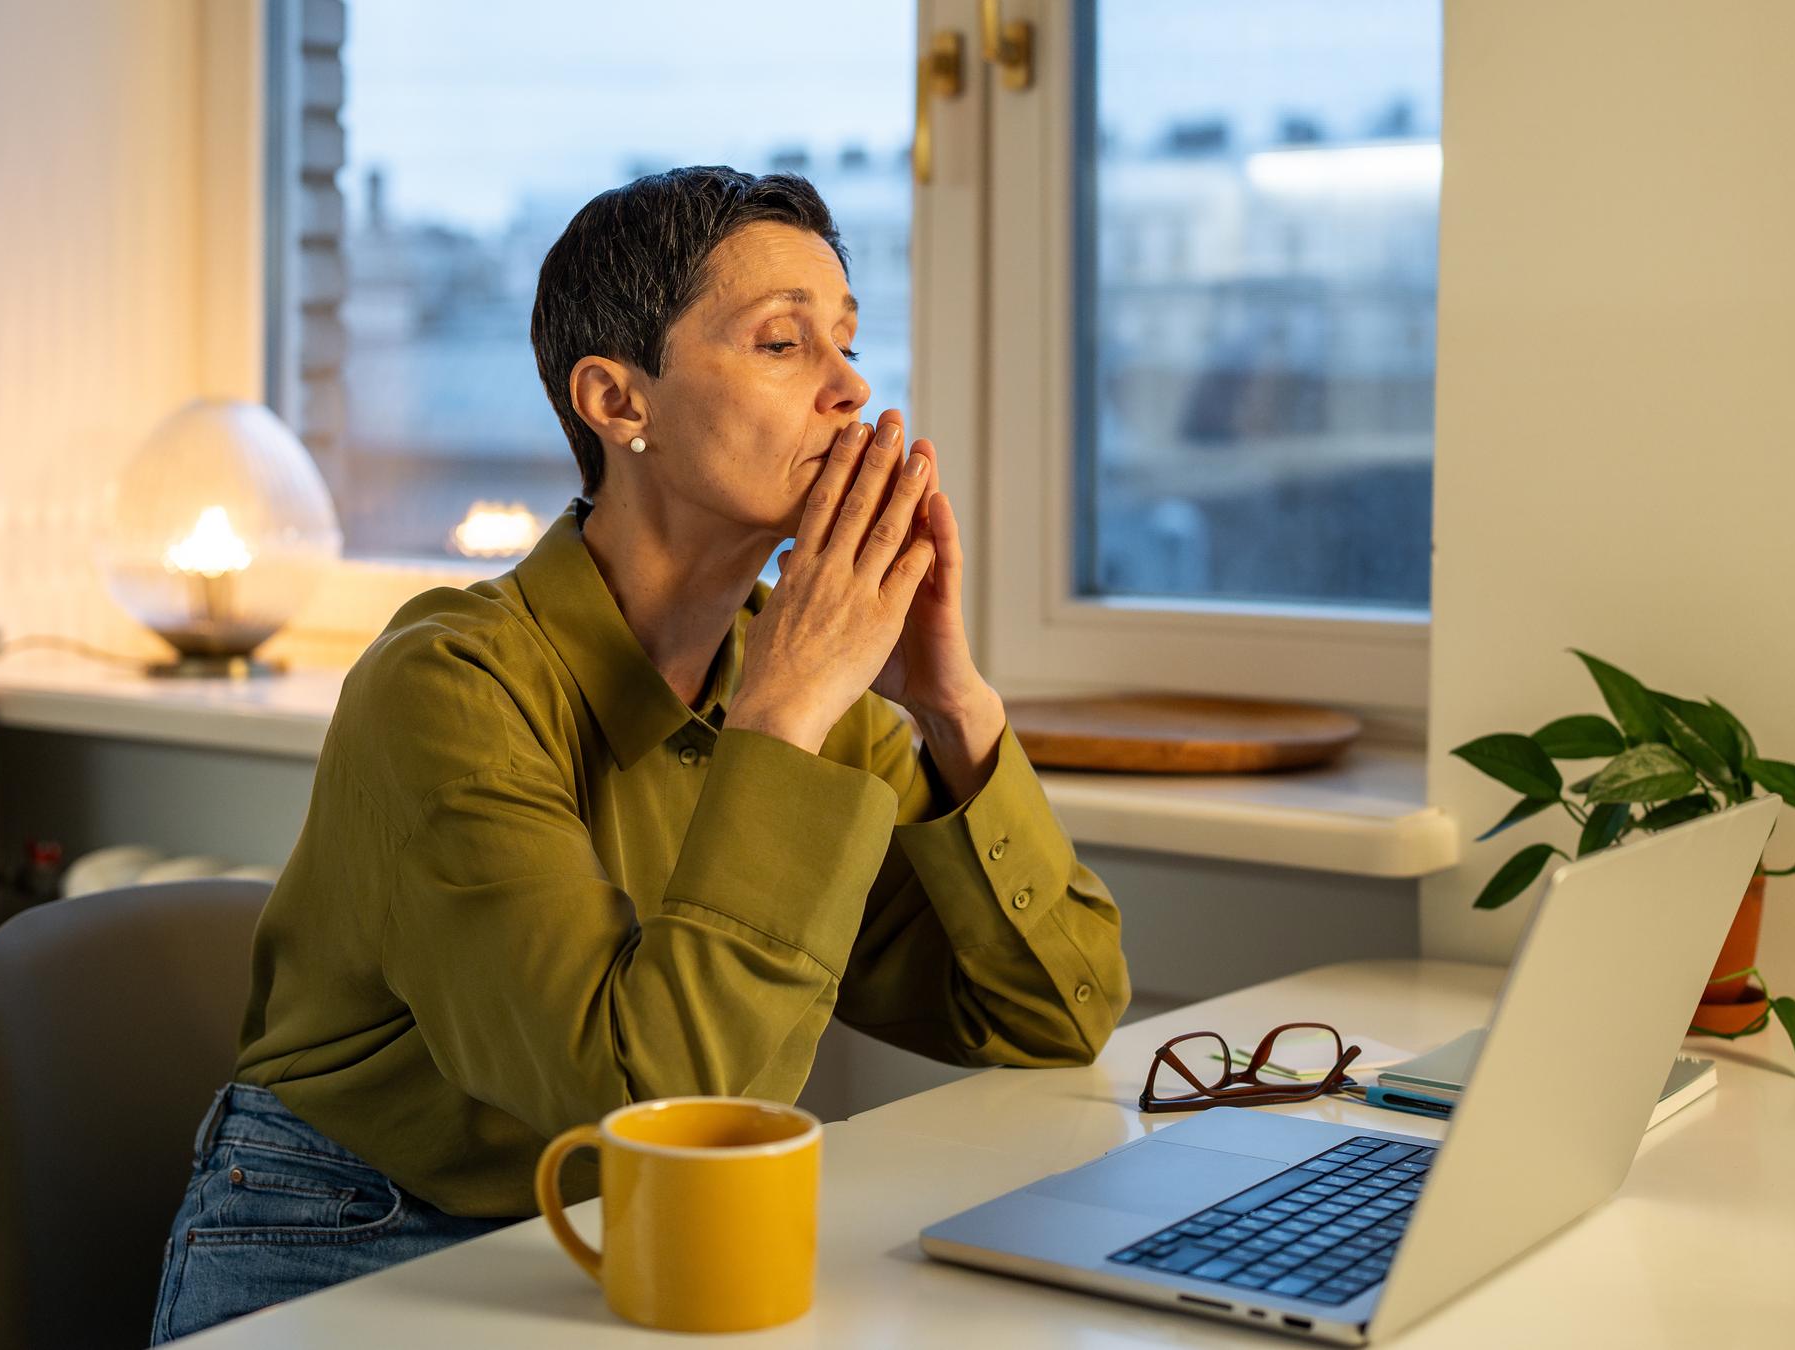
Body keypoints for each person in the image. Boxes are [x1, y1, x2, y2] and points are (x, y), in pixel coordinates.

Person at [149, 165, 1130, 1344]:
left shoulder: (798, 685)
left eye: (848, 342)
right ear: (618, 402)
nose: (852, 386)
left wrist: (950, 704)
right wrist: (783, 723)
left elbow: (1055, 1012)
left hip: (615, 1245)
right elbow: (641, 1101)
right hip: (349, 1243)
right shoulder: (447, 688)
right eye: (783, 343)